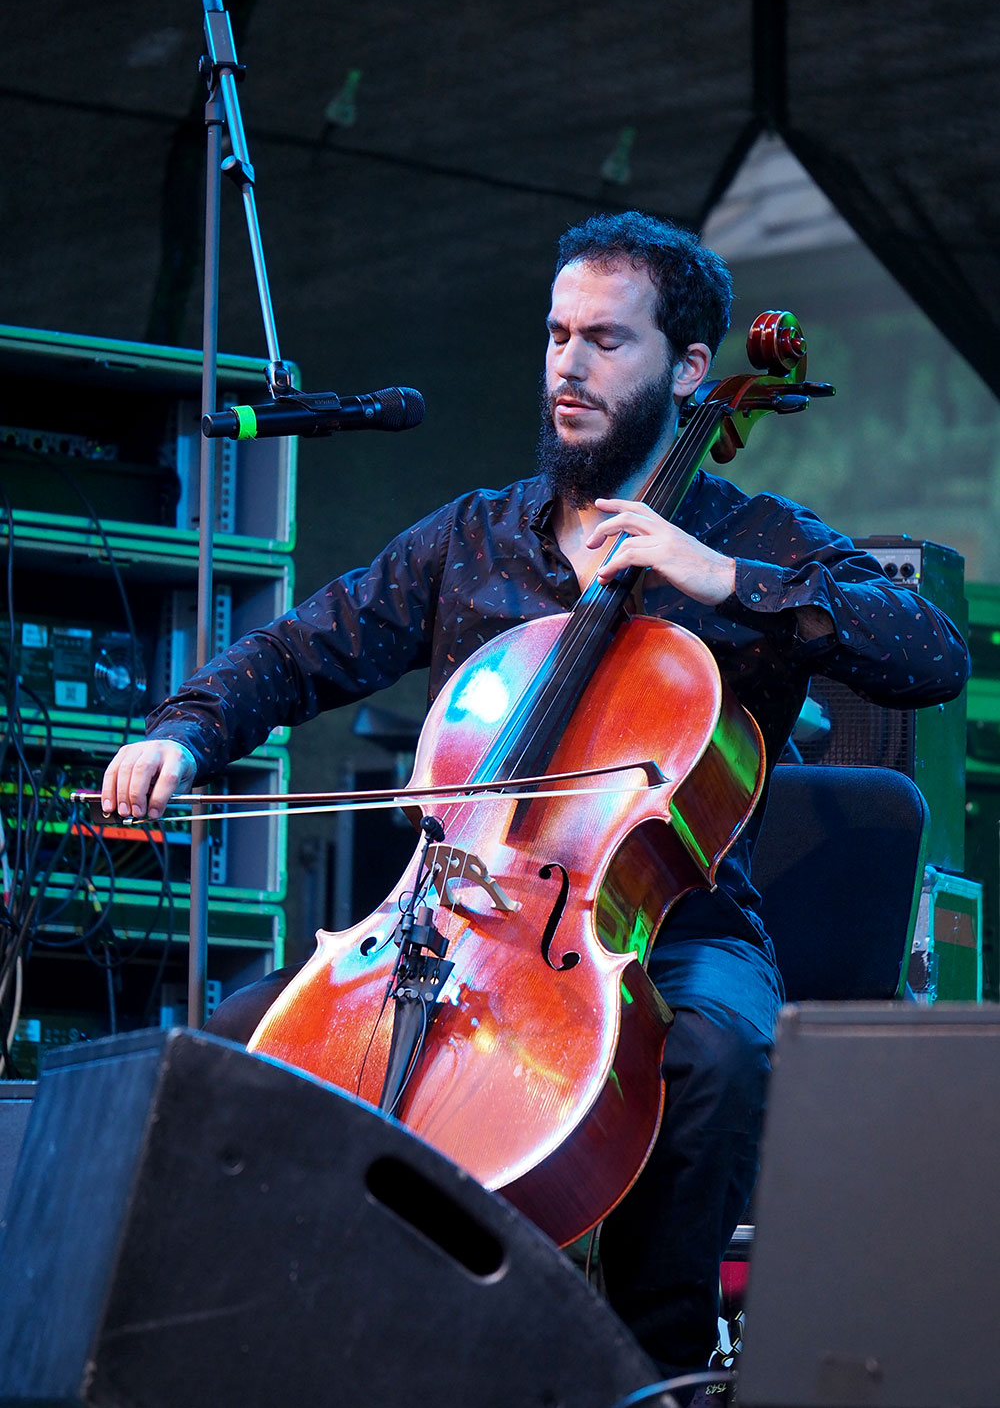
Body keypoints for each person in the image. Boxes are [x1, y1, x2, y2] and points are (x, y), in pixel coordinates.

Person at [101, 211, 969, 1385]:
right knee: (216, 1050)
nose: (567, 365)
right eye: (556, 335)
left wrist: (722, 579)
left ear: (690, 368)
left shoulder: (758, 537)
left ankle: (650, 1367)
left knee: (710, 1060)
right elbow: (301, 649)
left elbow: (929, 656)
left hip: (671, 926)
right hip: (444, 918)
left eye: (605, 341)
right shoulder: (473, 537)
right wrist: (185, 733)